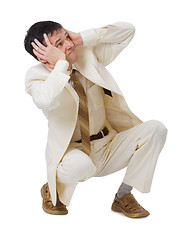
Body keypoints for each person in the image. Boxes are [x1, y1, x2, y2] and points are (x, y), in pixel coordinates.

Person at [24, 20, 167, 218]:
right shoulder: (36, 76)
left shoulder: (86, 55)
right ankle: (52, 188)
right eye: (59, 44)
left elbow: (127, 31)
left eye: (66, 37)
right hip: (75, 154)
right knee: (79, 164)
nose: (68, 44)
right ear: (43, 55)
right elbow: (45, 100)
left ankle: (123, 196)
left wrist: (83, 37)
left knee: (156, 129)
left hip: (109, 146)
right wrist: (61, 65)